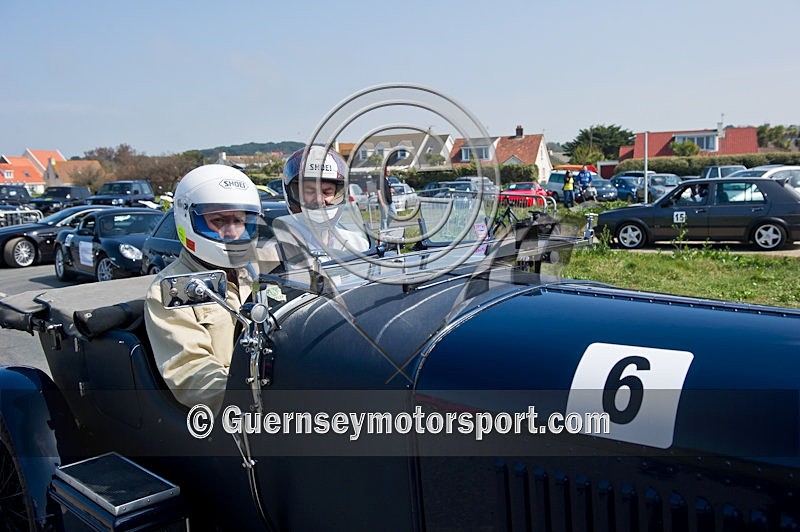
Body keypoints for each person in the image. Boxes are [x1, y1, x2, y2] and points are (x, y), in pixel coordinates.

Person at [144, 164, 262, 414]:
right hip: (238, 412)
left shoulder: (260, 272)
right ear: (188, 218)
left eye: (239, 220)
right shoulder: (171, 289)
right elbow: (192, 373)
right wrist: (252, 401)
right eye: (218, 221)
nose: (232, 232)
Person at [272, 146, 370, 269]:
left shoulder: (357, 244)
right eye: (310, 191)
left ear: (338, 194)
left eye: (327, 191)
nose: (319, 199)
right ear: (294, 194)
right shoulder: (277, 250)